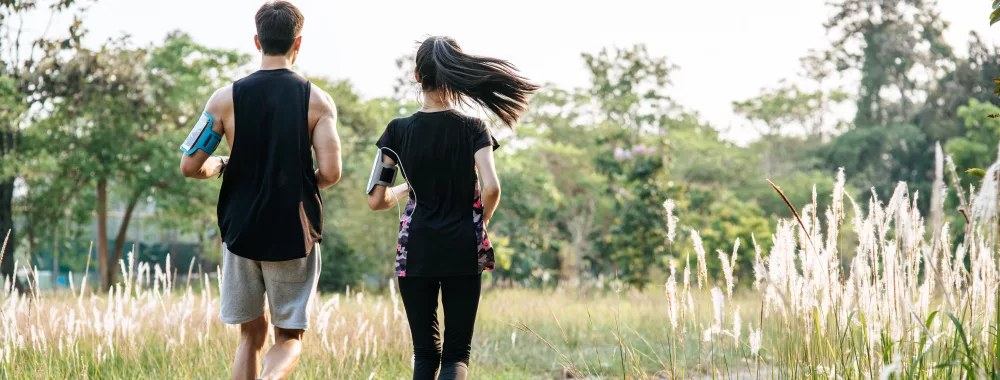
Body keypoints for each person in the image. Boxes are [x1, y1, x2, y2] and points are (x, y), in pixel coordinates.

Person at [178, 2, 342, 379]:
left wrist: (220, 164)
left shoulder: (222, 99)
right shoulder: (318, 101)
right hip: (293, 232)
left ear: (257, 41)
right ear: (297, 43)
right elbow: (331, 172)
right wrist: (300, 187)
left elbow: (189, 166)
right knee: (289, 335)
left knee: (250, 335)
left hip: (241, 232)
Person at [367, 36, 538, 380]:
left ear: (417, 75)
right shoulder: (475, 128)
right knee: (457, 355)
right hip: (463, 246)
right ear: (454, 75)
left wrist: (406, 187)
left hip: (415, 250)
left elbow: (375, 199)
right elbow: (491, 187)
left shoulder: (397, 132)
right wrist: (481, 221)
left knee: (424, 354)